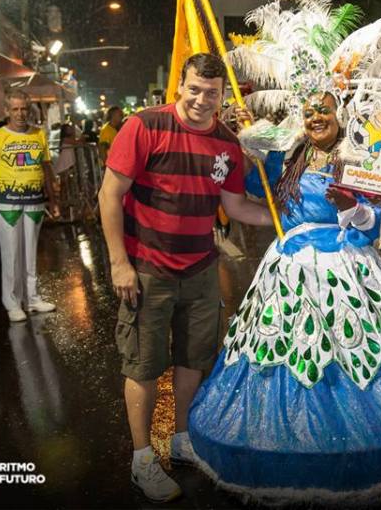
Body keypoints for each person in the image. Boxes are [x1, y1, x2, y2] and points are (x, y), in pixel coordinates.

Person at [186, 0, 381, 505]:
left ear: (339, 111)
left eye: (323, 109)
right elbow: (255, 191)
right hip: (290, 268)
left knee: (359, 358)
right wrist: (239, 138)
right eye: (309, 110)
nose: (316, 117)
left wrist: (350, 207)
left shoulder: (359, 156)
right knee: (290, 360)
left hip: (349, 268)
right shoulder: (287, 154)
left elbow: (371, 227)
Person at [98, 53, 274, 503]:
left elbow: (235, 208)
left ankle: (179, 439)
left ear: (221, 95)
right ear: (180, 84)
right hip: (147, 269)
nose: (201, 99)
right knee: (143, 364)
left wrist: (288, 219)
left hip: (200, 269)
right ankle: (142, 459)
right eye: (194, 89)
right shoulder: (143, 126)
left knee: (193, 359)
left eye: (211, 93)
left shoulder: (227, 143)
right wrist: (119, 262)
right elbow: (110, 195)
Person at [0, 90, 59, 321]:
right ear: (6, 111)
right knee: (11, 253)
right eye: (15, 109)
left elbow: (46, 169)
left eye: (24, 108)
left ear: (29, 109)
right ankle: (12, 302)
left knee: (31, 252)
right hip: (8, 204)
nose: (20, 113)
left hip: (34, 202)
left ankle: (32, 298)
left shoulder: (38, 134)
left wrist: (53, 200)